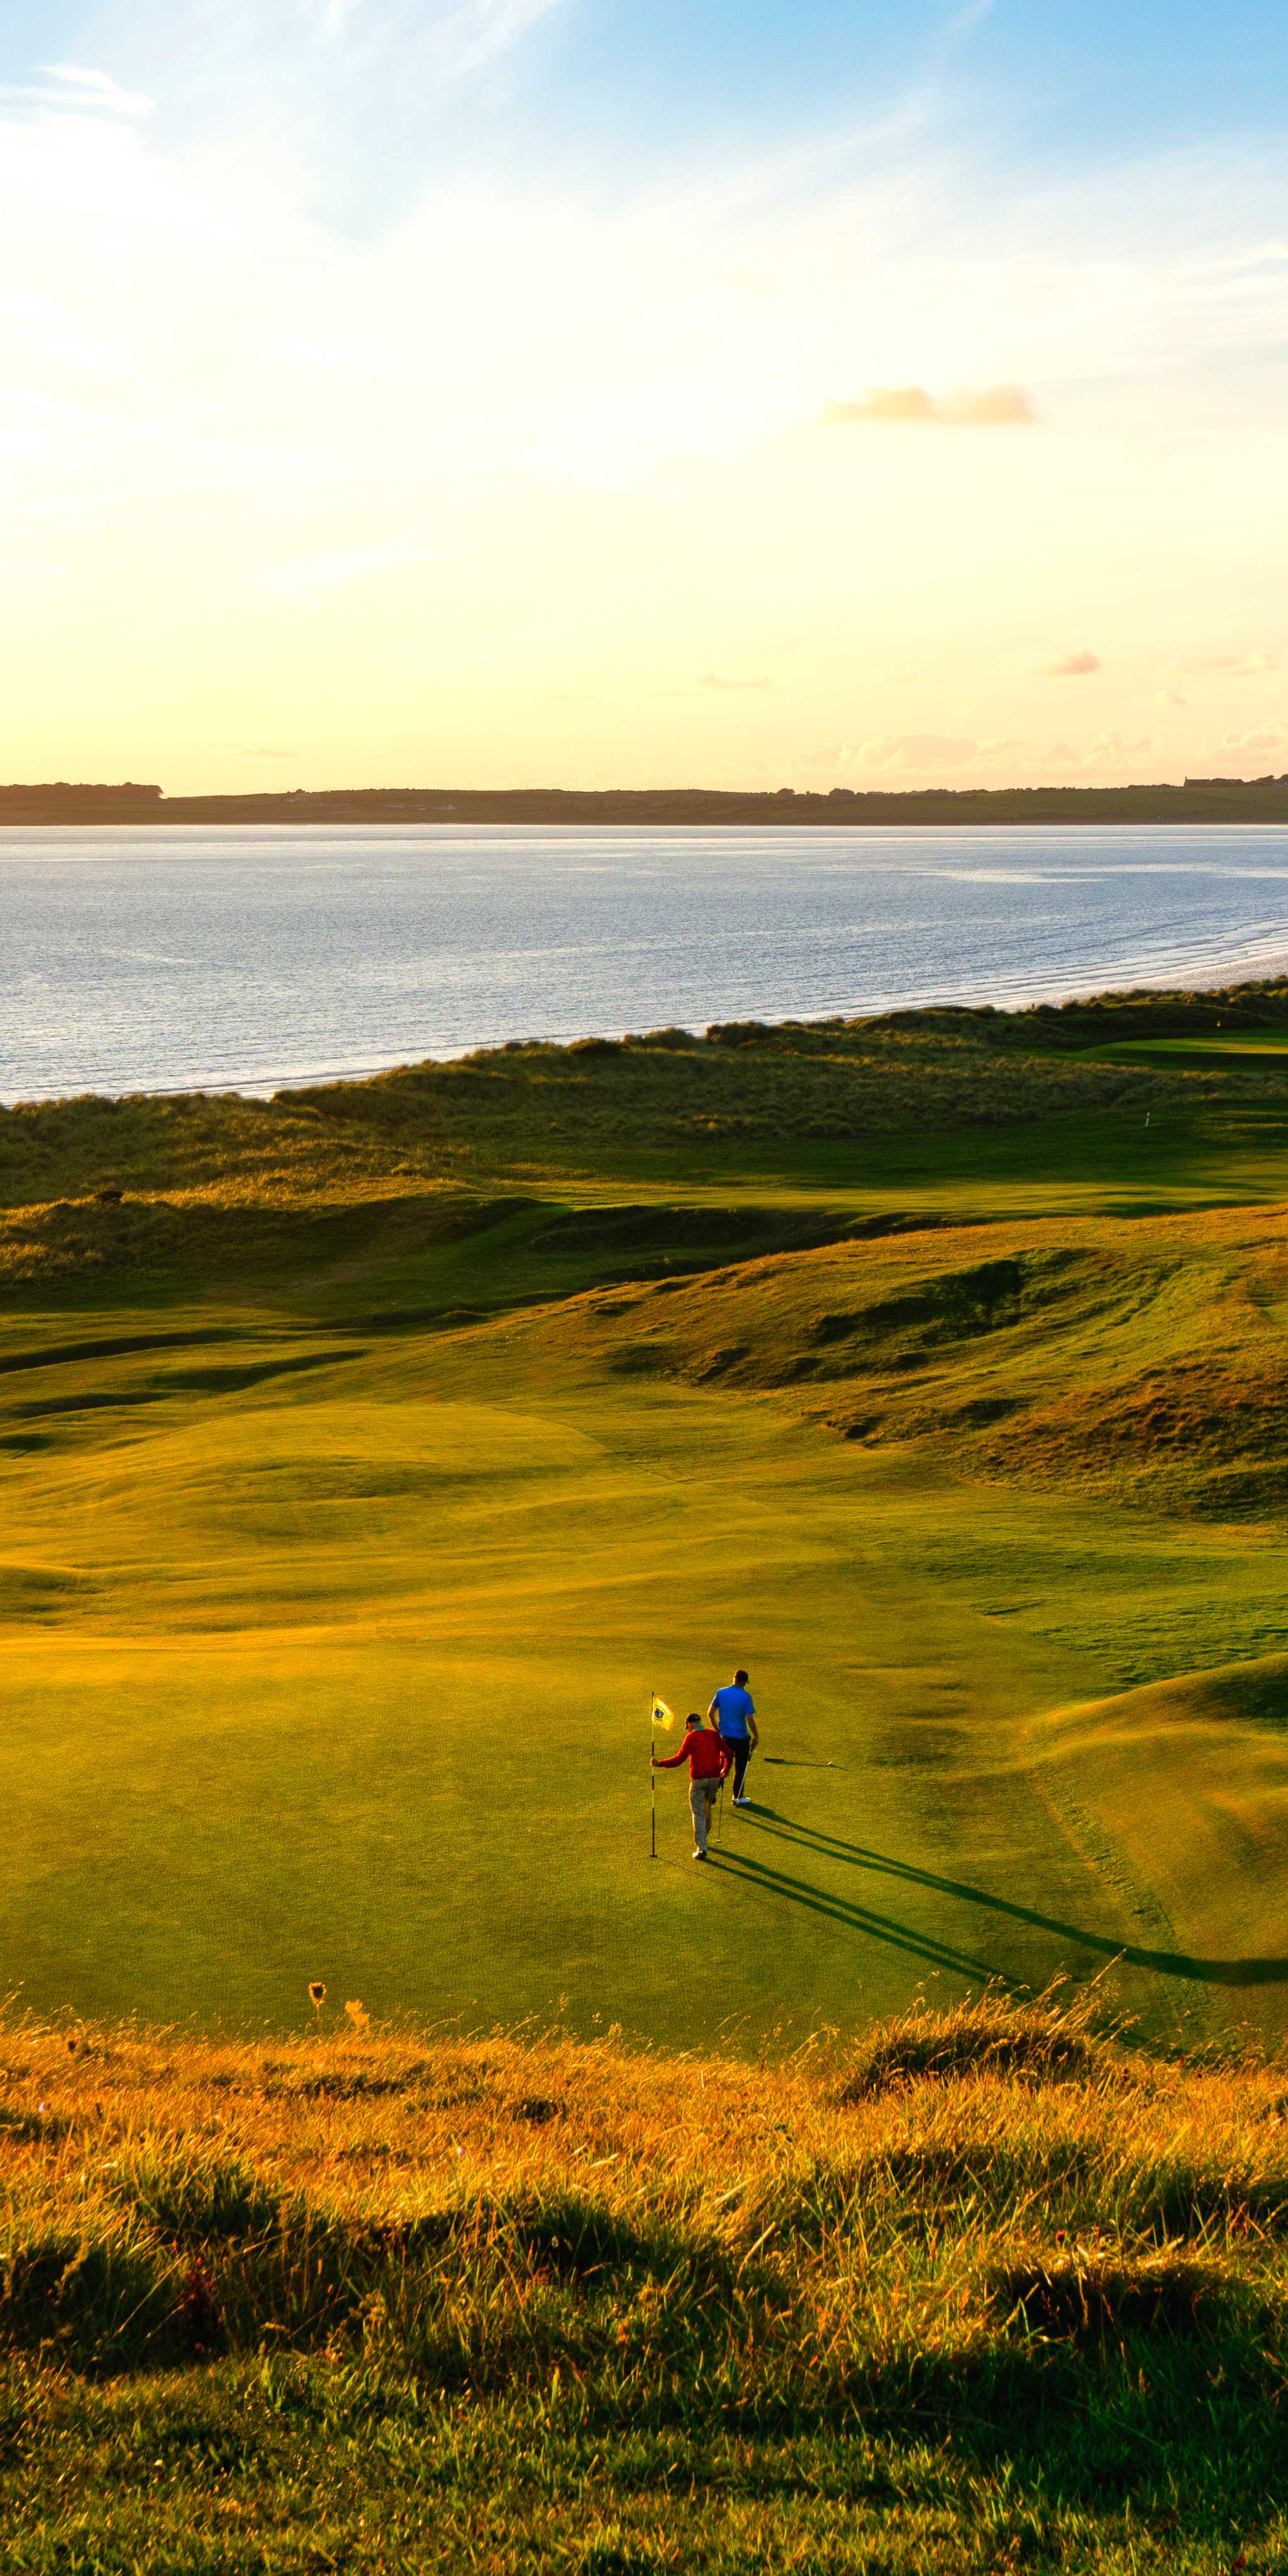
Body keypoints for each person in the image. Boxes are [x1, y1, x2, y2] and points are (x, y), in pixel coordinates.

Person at [652, 1713, 730, 1861]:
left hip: (698, 1781)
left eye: (687, 1727)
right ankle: (704, 1838)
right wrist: (725, 1770)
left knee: (698, 1813)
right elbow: (728, 1753)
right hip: (714, 1779)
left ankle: (701, 1849)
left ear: (690, 1724)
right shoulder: (713, 1735)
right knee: (707, 1808)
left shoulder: (691, 1737)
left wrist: (660, 1764)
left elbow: (679, 1759)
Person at [708, 1667, 758, 1806]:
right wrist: (756, 1735)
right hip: (741, 1738)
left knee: (723, 1765)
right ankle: (738, 1797)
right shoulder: (746, 1697)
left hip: (725, 1738)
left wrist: (717, 1730)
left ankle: (712, 1793)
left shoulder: (721, 1693)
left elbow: (710, 1713)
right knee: (740, 1767)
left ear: (734, 1679)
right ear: (744, 1682)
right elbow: (750, 1719)